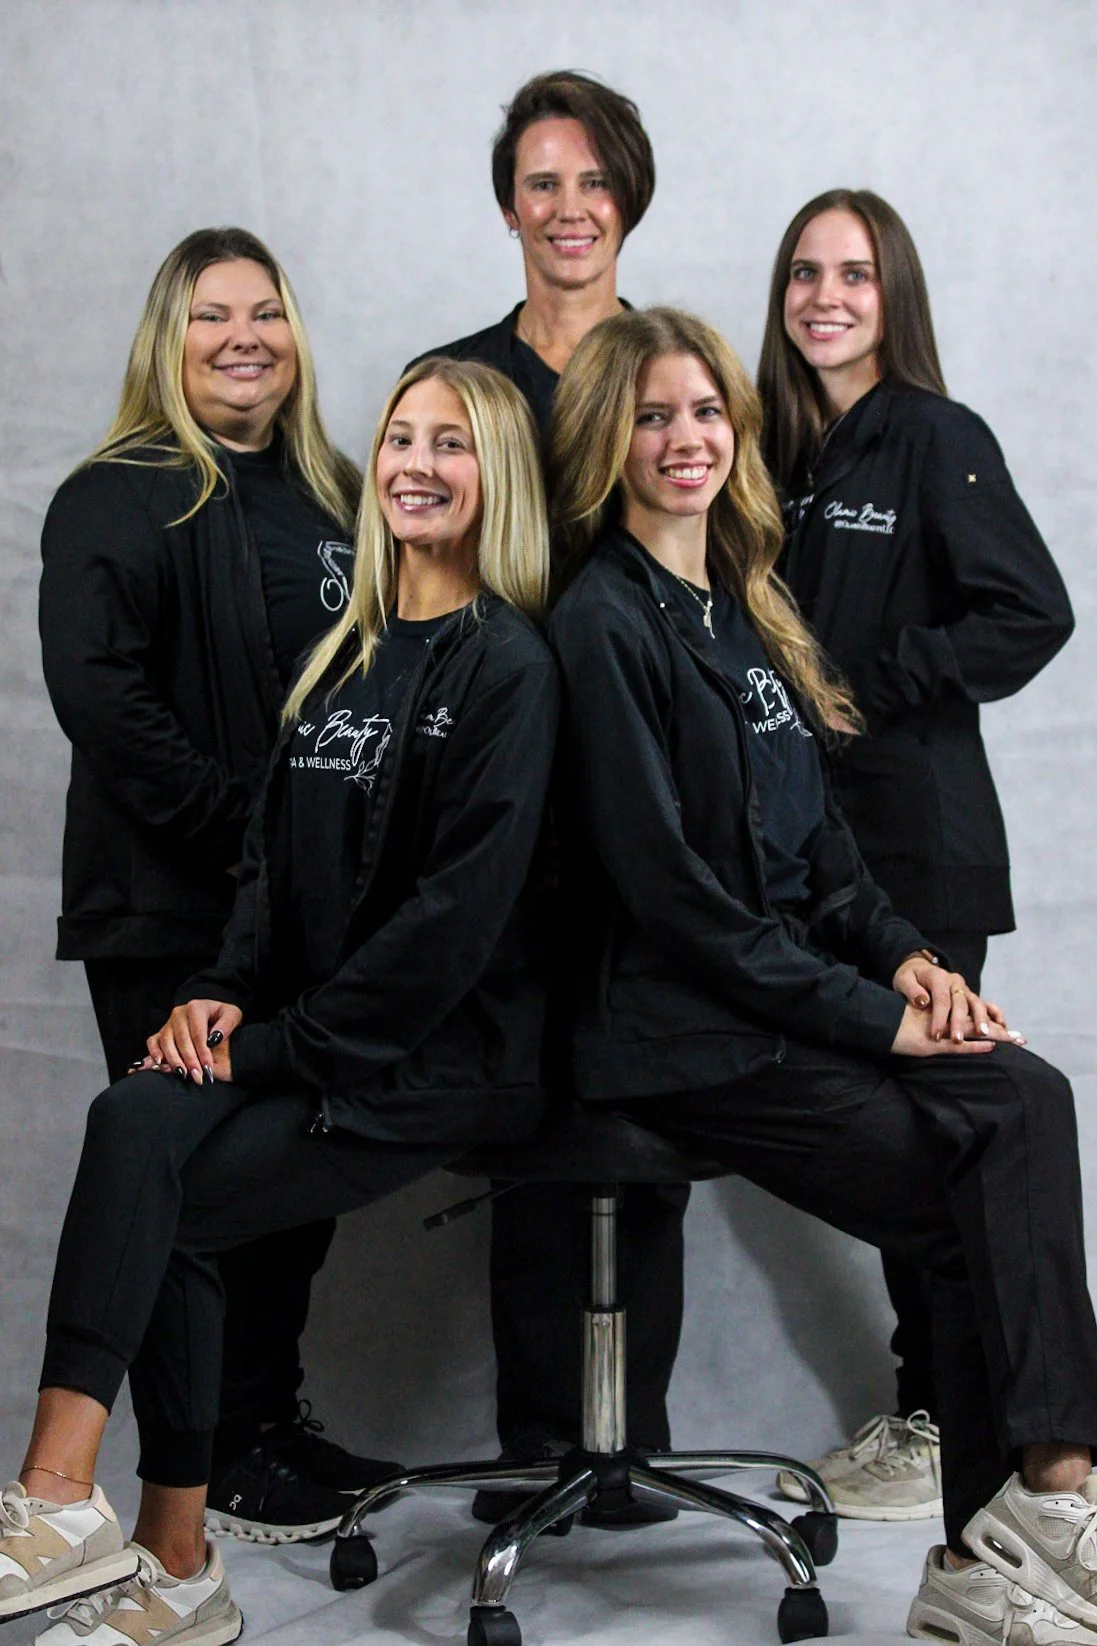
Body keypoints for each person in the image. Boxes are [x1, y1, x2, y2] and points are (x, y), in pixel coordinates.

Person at [545, 304, 1097, 1646]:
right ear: (607, 438)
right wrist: (872, 1021)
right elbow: (671, 899)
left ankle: (1039, 1505)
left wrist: (910, 963)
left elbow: (826, 850)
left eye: (704, 410)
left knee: (1026, 1094)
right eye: (652, 415)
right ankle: (1015, 1532)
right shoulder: (600, 621)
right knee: (973, 1196)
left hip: (785, 997)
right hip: (680, 1029)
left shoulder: (744, 605)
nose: (684, 437)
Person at [1, 356, 559, 1641]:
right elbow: (267, 868)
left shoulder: (509, 667)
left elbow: (449, 928)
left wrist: (265, 1048)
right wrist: (217, 992)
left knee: (169, 1195)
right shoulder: (342, 656)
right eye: (402, 437)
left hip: (437, 1061)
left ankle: (167, 1554)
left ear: (496, 477)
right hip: (307, 1036)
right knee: (135, 1118)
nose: (417, 464)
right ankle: (65, 1498)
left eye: (452, 443)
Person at [36, 226, 400, 1544]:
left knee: (279, 1193)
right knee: (180, 1187)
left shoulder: (334, 492)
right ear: (167, 340)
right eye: (211, 316)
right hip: (171, 908)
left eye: (266, 313)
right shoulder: (119, 493)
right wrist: (247, 840)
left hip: (301, 914)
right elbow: (103, 698)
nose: (243, 338)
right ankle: (193, 1471)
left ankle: (259, 1428)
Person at [756, 189, 1075, 1522]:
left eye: (854, 274)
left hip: (920, 851)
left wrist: (867, 685)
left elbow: (1031, 611)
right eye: (804, 273)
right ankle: (936, 1404)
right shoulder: (772, 450)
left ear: (893, 296)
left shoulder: (936, 436)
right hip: (813, 858)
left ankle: (956, 1420)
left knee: (948, 1124)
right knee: (885, 1135)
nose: (825, 297)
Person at [413, 72, 683, 1517]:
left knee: (650, 1105)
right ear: (507, 205)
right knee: (526, 1118)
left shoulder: (669, 372)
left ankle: (628, 1443)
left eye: (591, 181)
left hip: (654, 807)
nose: (567, 208)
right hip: (503, 812)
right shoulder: (461, 382)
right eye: (541, 182)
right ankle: (537, 1439)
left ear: (625, 198)